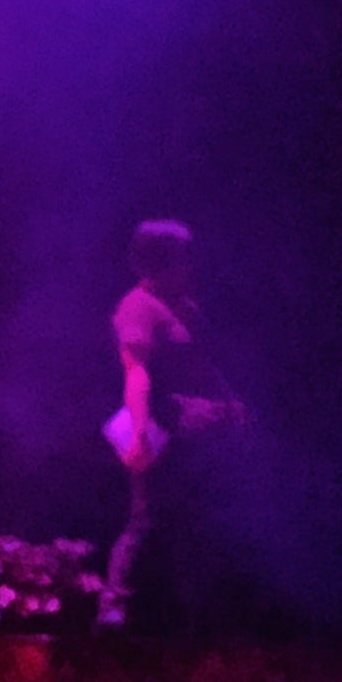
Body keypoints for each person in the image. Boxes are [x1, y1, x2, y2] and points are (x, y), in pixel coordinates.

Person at [98, 219, 246, 630]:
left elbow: (204, 364)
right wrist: (140, 433)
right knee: (145, 517)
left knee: (194, 519)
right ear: (160, 262)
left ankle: (194, 613)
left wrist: (229, 400)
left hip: (192, 425)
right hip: (157, 422)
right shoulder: (138, 307)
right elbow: (137, 372)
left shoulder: (184, 306)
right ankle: (114, 605)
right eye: (183, 258)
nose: (192, 266)